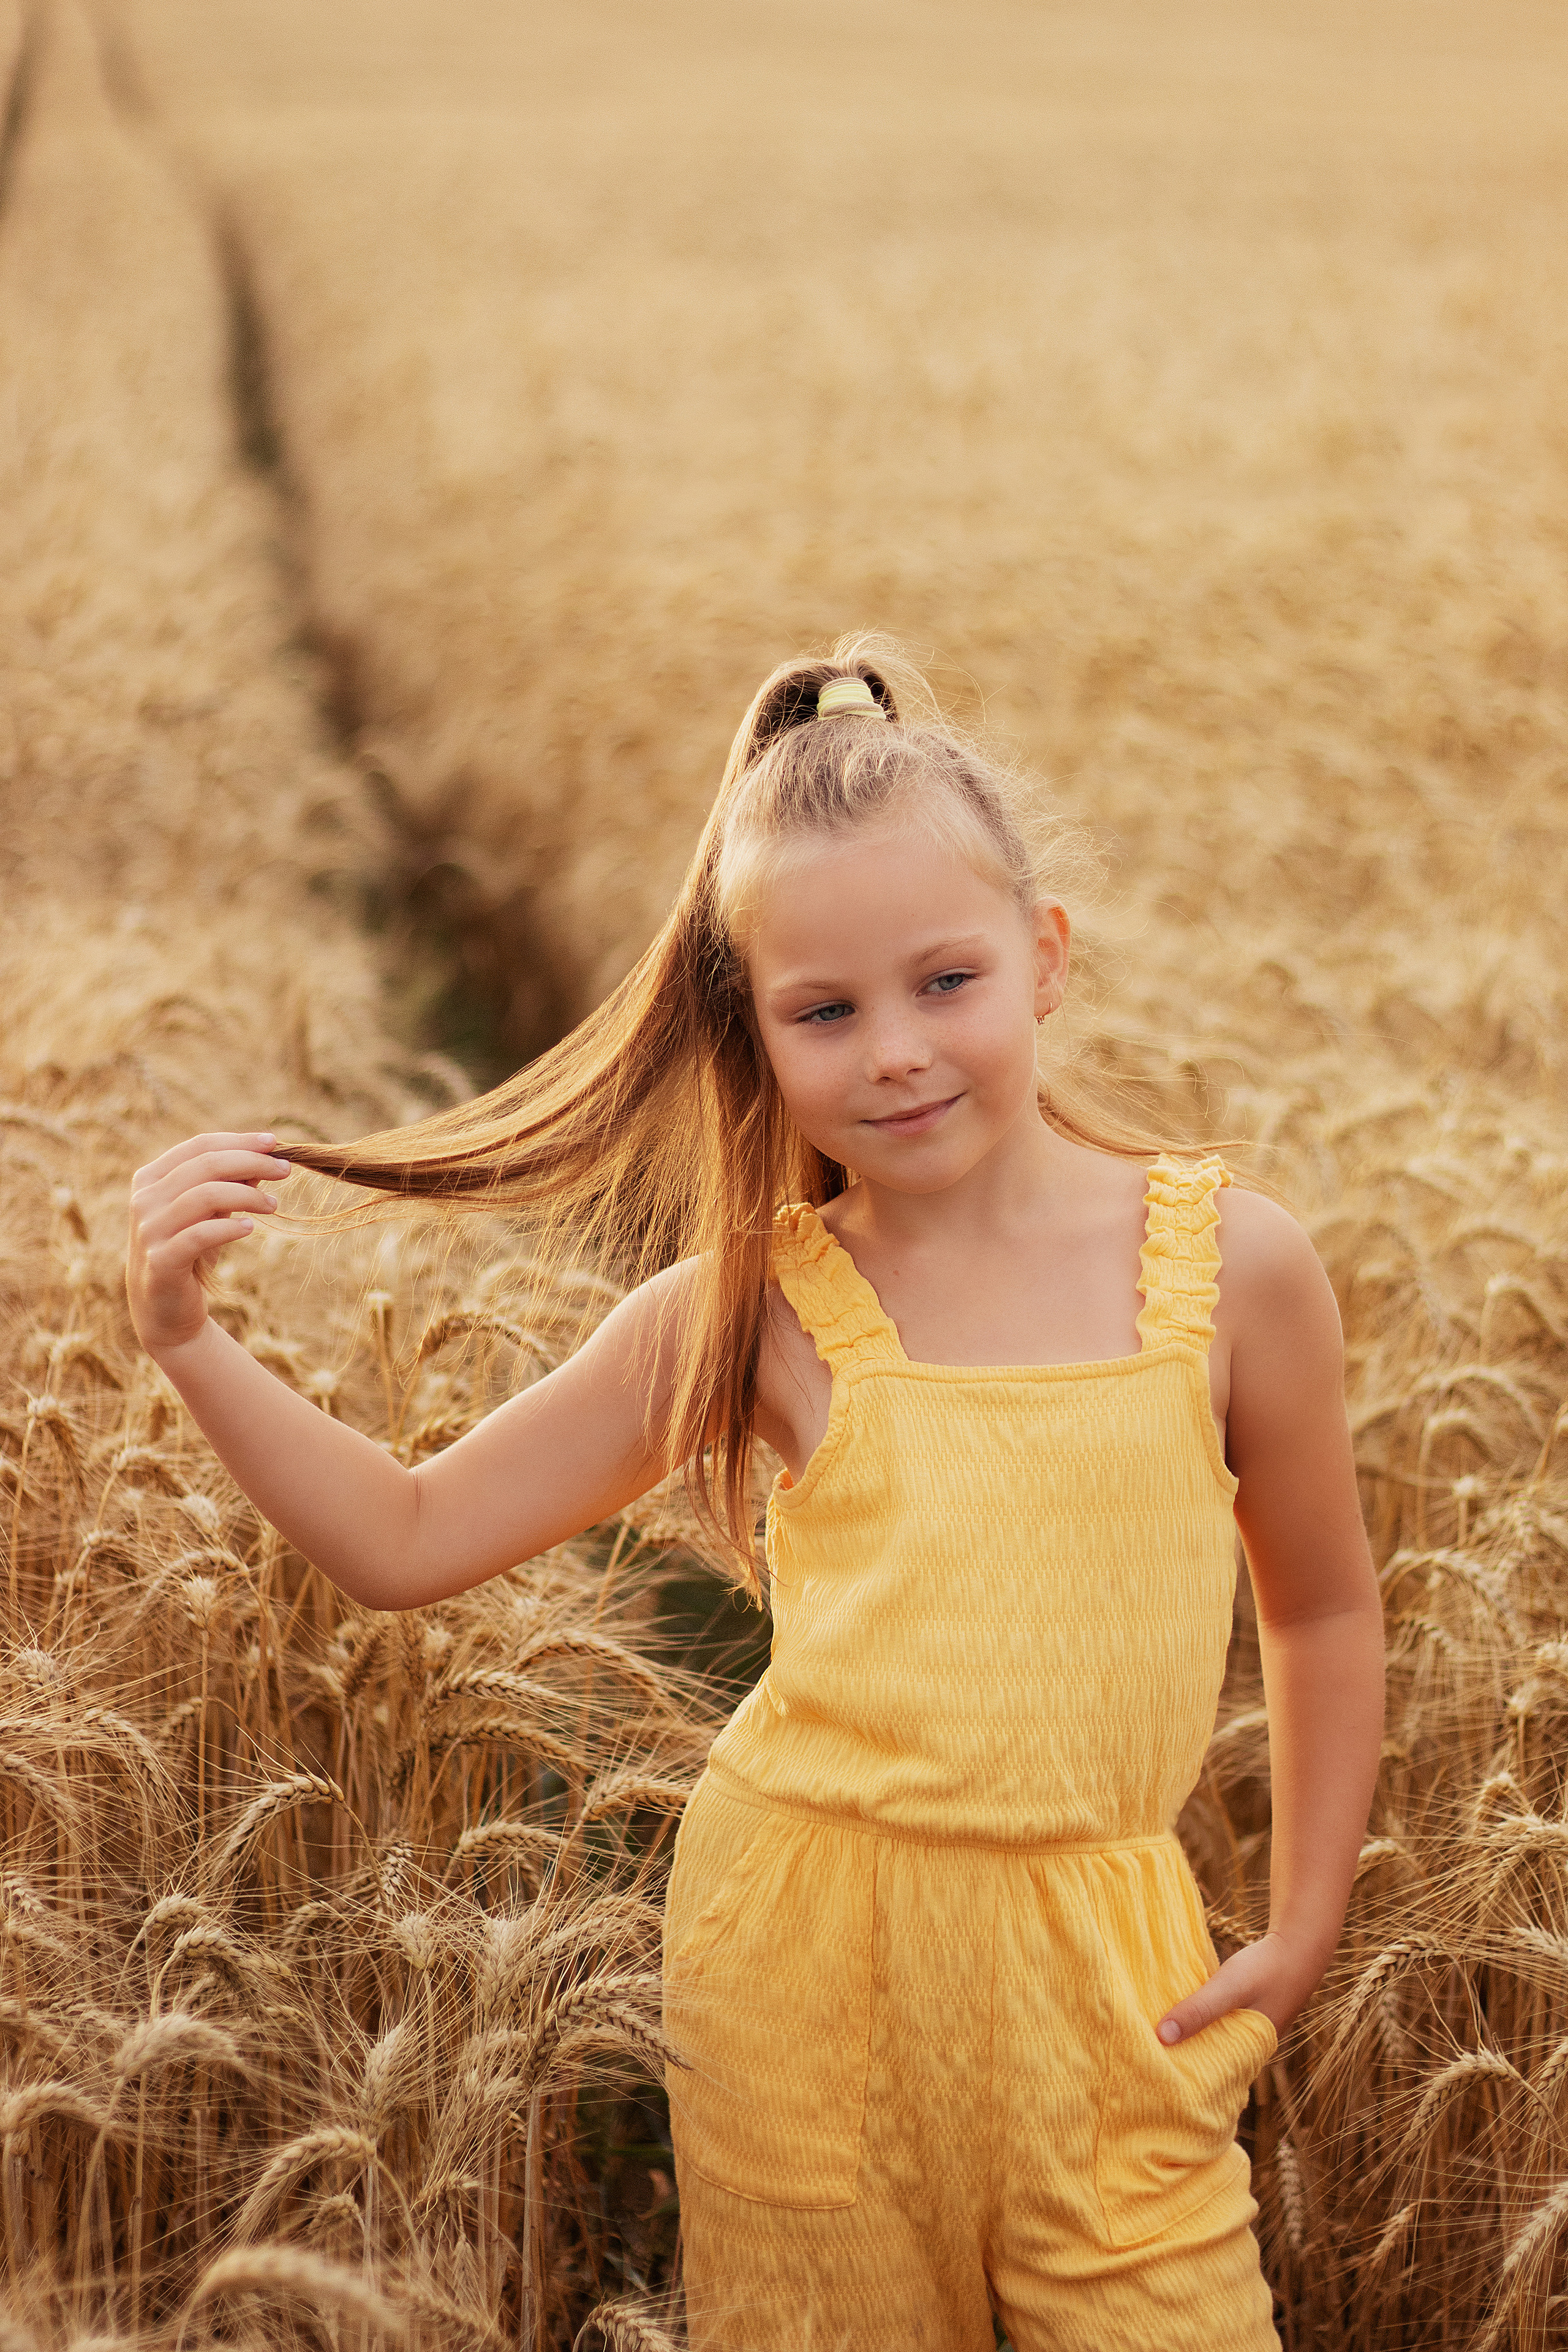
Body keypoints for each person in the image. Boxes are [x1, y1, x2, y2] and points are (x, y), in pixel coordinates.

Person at [126, 639, 1385, 2351]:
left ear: (1047, 959)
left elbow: (1319, 1601)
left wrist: (1307, 1920)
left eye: (948, 982)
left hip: (1116, 1980)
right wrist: (191, 1344)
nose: (896, 1054)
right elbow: (407, 1539)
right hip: (808, 1974)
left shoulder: (1235, 1267)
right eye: (825, 1011)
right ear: (758, 1030)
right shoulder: (755, 1308)